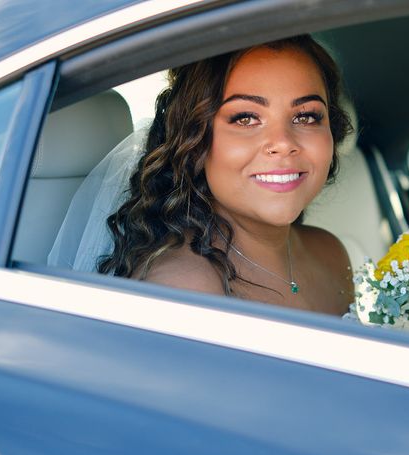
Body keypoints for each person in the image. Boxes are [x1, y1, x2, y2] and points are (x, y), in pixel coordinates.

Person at [98, 35, 354, 315]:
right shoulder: (184, 290)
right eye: (245, 118)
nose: (283, 143)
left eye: (305, 116)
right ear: (195, 142)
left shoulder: (330, 251)